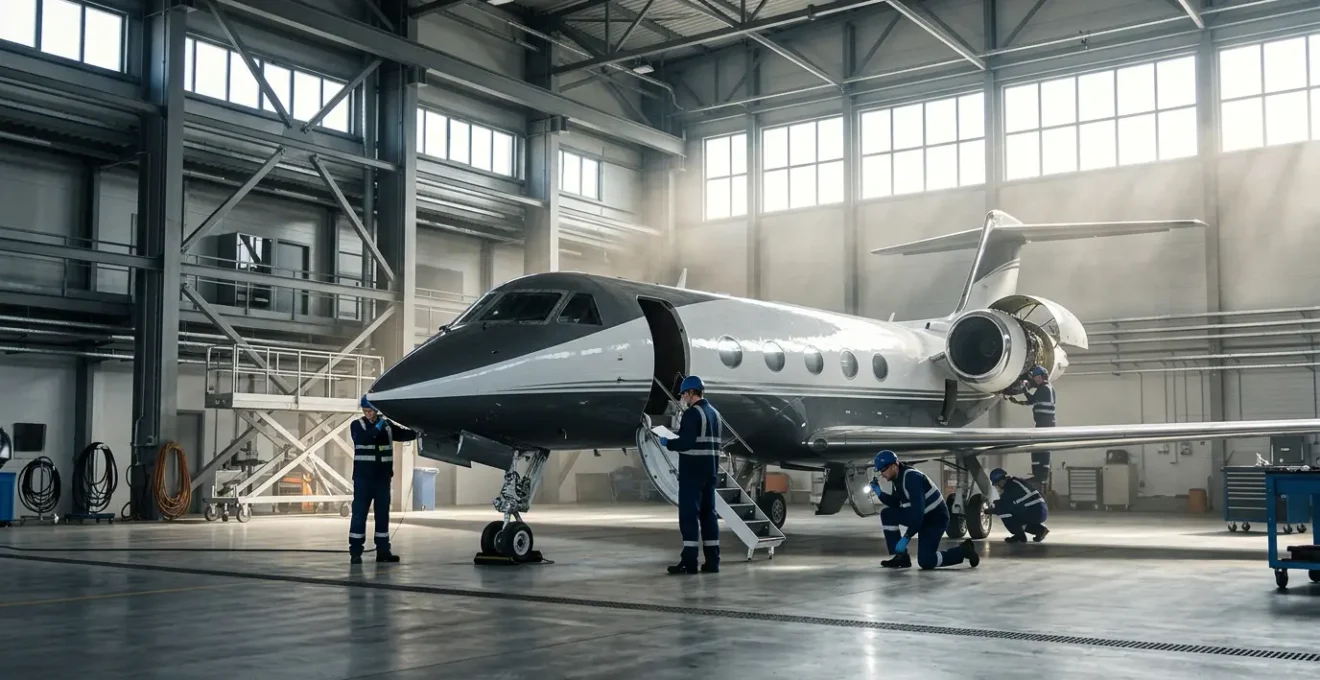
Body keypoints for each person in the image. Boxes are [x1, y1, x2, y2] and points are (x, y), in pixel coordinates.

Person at [872, 450, 979, 570]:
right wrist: (879, 492)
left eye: (883, 470)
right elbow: (896, 503)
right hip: (922, 516)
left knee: (926, 561)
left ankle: (963, 550)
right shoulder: (898, 479)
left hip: (935, 519)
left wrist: (906, 537)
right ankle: (901, 557)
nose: (882, 474)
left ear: (893, 466)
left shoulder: (912, 478)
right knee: (887, 514)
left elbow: (918, 514)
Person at [658, 375, 721, 575]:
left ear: (692, 392)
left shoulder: (692, 414)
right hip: (711, 471)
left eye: (684, 394)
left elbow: (686, 443)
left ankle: (689, 562)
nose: (683, 398)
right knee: (709, 516)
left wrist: (669, 442)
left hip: (692, 472)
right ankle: (712, 562)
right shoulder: (715, 414)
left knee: (689, 516)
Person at [349, 395, 417, 564]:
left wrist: (420, 430)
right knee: (359, 515)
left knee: (382, 516)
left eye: (370, 411)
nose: (367, 413)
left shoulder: (387, 426)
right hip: (363, 480)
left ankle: (383, 551)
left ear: (376, 410)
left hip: (382, 479)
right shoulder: (357, 425)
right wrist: (379, 426)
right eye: (365, 411)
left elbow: (404, 435)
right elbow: (367, 437)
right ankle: (355, 552)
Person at [1006, 365, 1055, 491]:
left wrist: (1024, 390)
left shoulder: (1044, 388)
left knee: (1041, 449)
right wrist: (1018, 401)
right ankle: (1038, 475)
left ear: (1042, 377)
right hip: (1043, 424)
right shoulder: (1045, 388)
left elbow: (1032, 400)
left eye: (1036, 377)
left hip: (1045, 425)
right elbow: (1032, 401)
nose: (1035, 380)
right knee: (1038, 448)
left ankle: (1040, 476)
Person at [989, 468, 1049, 543]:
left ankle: (1019, 536)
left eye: (996, 484)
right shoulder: (1014, 483)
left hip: (1034, 511)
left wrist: (991, 510)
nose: (997, 487)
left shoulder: (1010, 488)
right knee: (1015, 518)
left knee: (1003, 510)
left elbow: (1004, 505)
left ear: (1000, 481)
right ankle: (1040, 530)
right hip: (1039, 510)